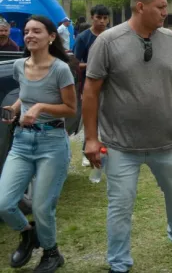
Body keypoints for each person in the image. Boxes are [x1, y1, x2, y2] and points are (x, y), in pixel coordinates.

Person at [83, 0, 172, 273]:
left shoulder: (171, 41)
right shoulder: (109, 41)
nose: (165, 13)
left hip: (164, 141)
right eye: (160, 7)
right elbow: (91, 91)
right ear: (140, 7)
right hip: (121, 145)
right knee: (120, 205)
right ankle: (119, 263)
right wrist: (90, 138)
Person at [0, 15, 77, 272]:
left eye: (37, 31)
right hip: (22, 142)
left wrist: (42, 107)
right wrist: (14, 108)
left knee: (43, 207)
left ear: (51, 37)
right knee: (4, 202)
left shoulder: (60, 69)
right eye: (27, 31)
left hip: (52, 143)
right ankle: (28, 233)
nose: (30, 35)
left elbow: (70, 108)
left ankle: (52, 253)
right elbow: (25, 95)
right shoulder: (20, 65)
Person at [73, 4, 110, 167]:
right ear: (92, 18)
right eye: (98, 17)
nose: (102, 21)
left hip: (112, 86)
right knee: (91, 121)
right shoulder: (83, 38)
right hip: (90, 86)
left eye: (105, 18)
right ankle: (87, 153)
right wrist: (93, 66)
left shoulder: (112, 36)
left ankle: (113, 153)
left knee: (112, 121)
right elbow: (74, 63)